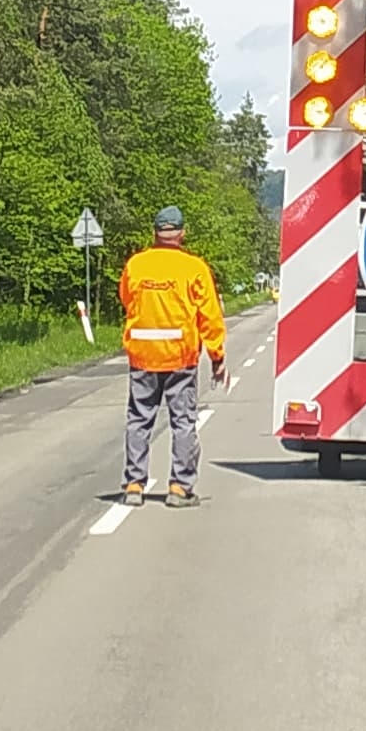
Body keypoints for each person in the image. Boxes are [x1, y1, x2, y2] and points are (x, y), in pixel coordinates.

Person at [118, 205, 226, 506]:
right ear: (182, 233)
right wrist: (217, 356)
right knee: (183, 422)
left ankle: (133, 487)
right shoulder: (194, 268)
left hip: (142, 356)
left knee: (139, 420)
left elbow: (126, 299)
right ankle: (179, 488)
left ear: (155, 232)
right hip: (180, 358)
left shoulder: (136, 265)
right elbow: (210, 316)